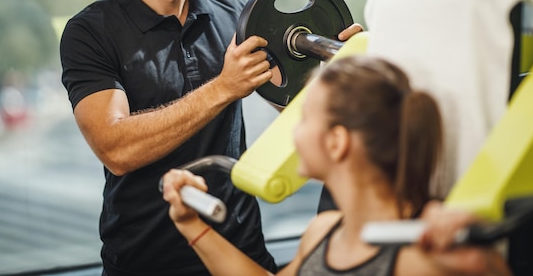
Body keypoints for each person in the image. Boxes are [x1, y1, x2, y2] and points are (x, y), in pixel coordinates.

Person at [59, 0, 362, 276]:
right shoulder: (90, 32)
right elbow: (116, 149)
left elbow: (295, 110)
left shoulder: (236, 15)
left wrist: (330, 70)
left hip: (242, 251)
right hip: (146, 260)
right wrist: (224, 87)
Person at [161, 54, 513, 275]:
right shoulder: (323, 234)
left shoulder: (421, 260)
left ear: (336, 142)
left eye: (305, 118)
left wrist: (487, 268)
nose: (293, 131)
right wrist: (191, 225)